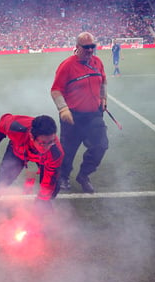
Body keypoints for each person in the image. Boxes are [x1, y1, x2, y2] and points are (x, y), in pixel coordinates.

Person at [50, 31, 108, 193]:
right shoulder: (67, 65)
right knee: (68, 150)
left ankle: (84, 175)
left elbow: (103, 82)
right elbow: (55, 90)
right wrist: (63, 109)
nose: (90, 50)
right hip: (73, 116)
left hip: (94, 115)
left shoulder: (97, 62)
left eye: (92, 46)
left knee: (101, 146)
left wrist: (103, 98)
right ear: (77, 47)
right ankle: (63, 176)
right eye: (86, 47)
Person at [0, 114, 64, 213]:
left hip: (44, 159)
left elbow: (49, 179)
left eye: (51, 142)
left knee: (53, 187)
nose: (47, 147)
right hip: (18, 151)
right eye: (43, 143)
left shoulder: (55, 152)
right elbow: (3, 122)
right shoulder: (16, 127)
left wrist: (43, 199)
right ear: (32, 136)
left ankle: (45, 202)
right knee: (5, 177)